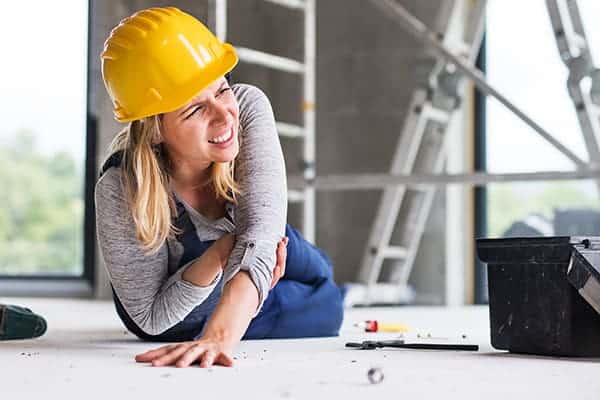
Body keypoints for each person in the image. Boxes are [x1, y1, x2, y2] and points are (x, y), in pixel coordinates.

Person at [95, 6, 344, 368]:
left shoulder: (247, 106)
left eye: (221, 90)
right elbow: (150, 318)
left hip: (260, 238)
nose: (225, 114)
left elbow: (261, 233)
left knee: (316, 268)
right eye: (195, 110)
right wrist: (218, 255)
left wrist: (222, 332)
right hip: (195, 303)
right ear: (155, 129)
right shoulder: (122, 188)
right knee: (327, 310)